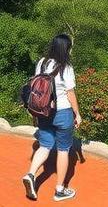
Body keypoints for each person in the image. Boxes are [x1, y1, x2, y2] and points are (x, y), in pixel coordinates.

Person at [21, 34, 80, 202]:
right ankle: (60, 190)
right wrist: (77, 114)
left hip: (44, 112)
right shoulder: (66, 67)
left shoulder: (42, 62)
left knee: (45, 146)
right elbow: (70, 94)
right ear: (66, 49)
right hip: (63, 113)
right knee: (63, 150)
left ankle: (30, 174)